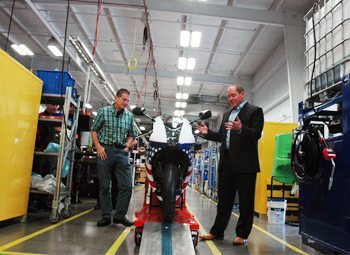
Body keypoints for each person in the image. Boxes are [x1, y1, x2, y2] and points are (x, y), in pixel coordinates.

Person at [197, 84, 264, 245]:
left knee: (246, 202)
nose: (230, 98)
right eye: (228, 96)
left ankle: (242, 234)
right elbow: (221, 136)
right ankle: (216, 232)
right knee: (224, 201)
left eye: (233, 95)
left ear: (242, 94)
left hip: (245, 165)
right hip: (227, 164)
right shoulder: (227, 114)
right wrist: (208, 133)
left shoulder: (254, 111)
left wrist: (241, 128)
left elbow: (256, 134)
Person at [91, 88, 137, 227]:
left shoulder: (129, 116)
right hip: (106, 151)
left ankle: (119, 216)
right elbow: (94, 130)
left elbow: (132, 135)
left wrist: (127, 147)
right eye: (124, 99)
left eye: (128, 100)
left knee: (126, 186)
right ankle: (106, 216)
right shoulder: (104, 112)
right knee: (105, 186)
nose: (126, 103)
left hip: (122, 153)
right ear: (116, 98)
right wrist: (98, 147)